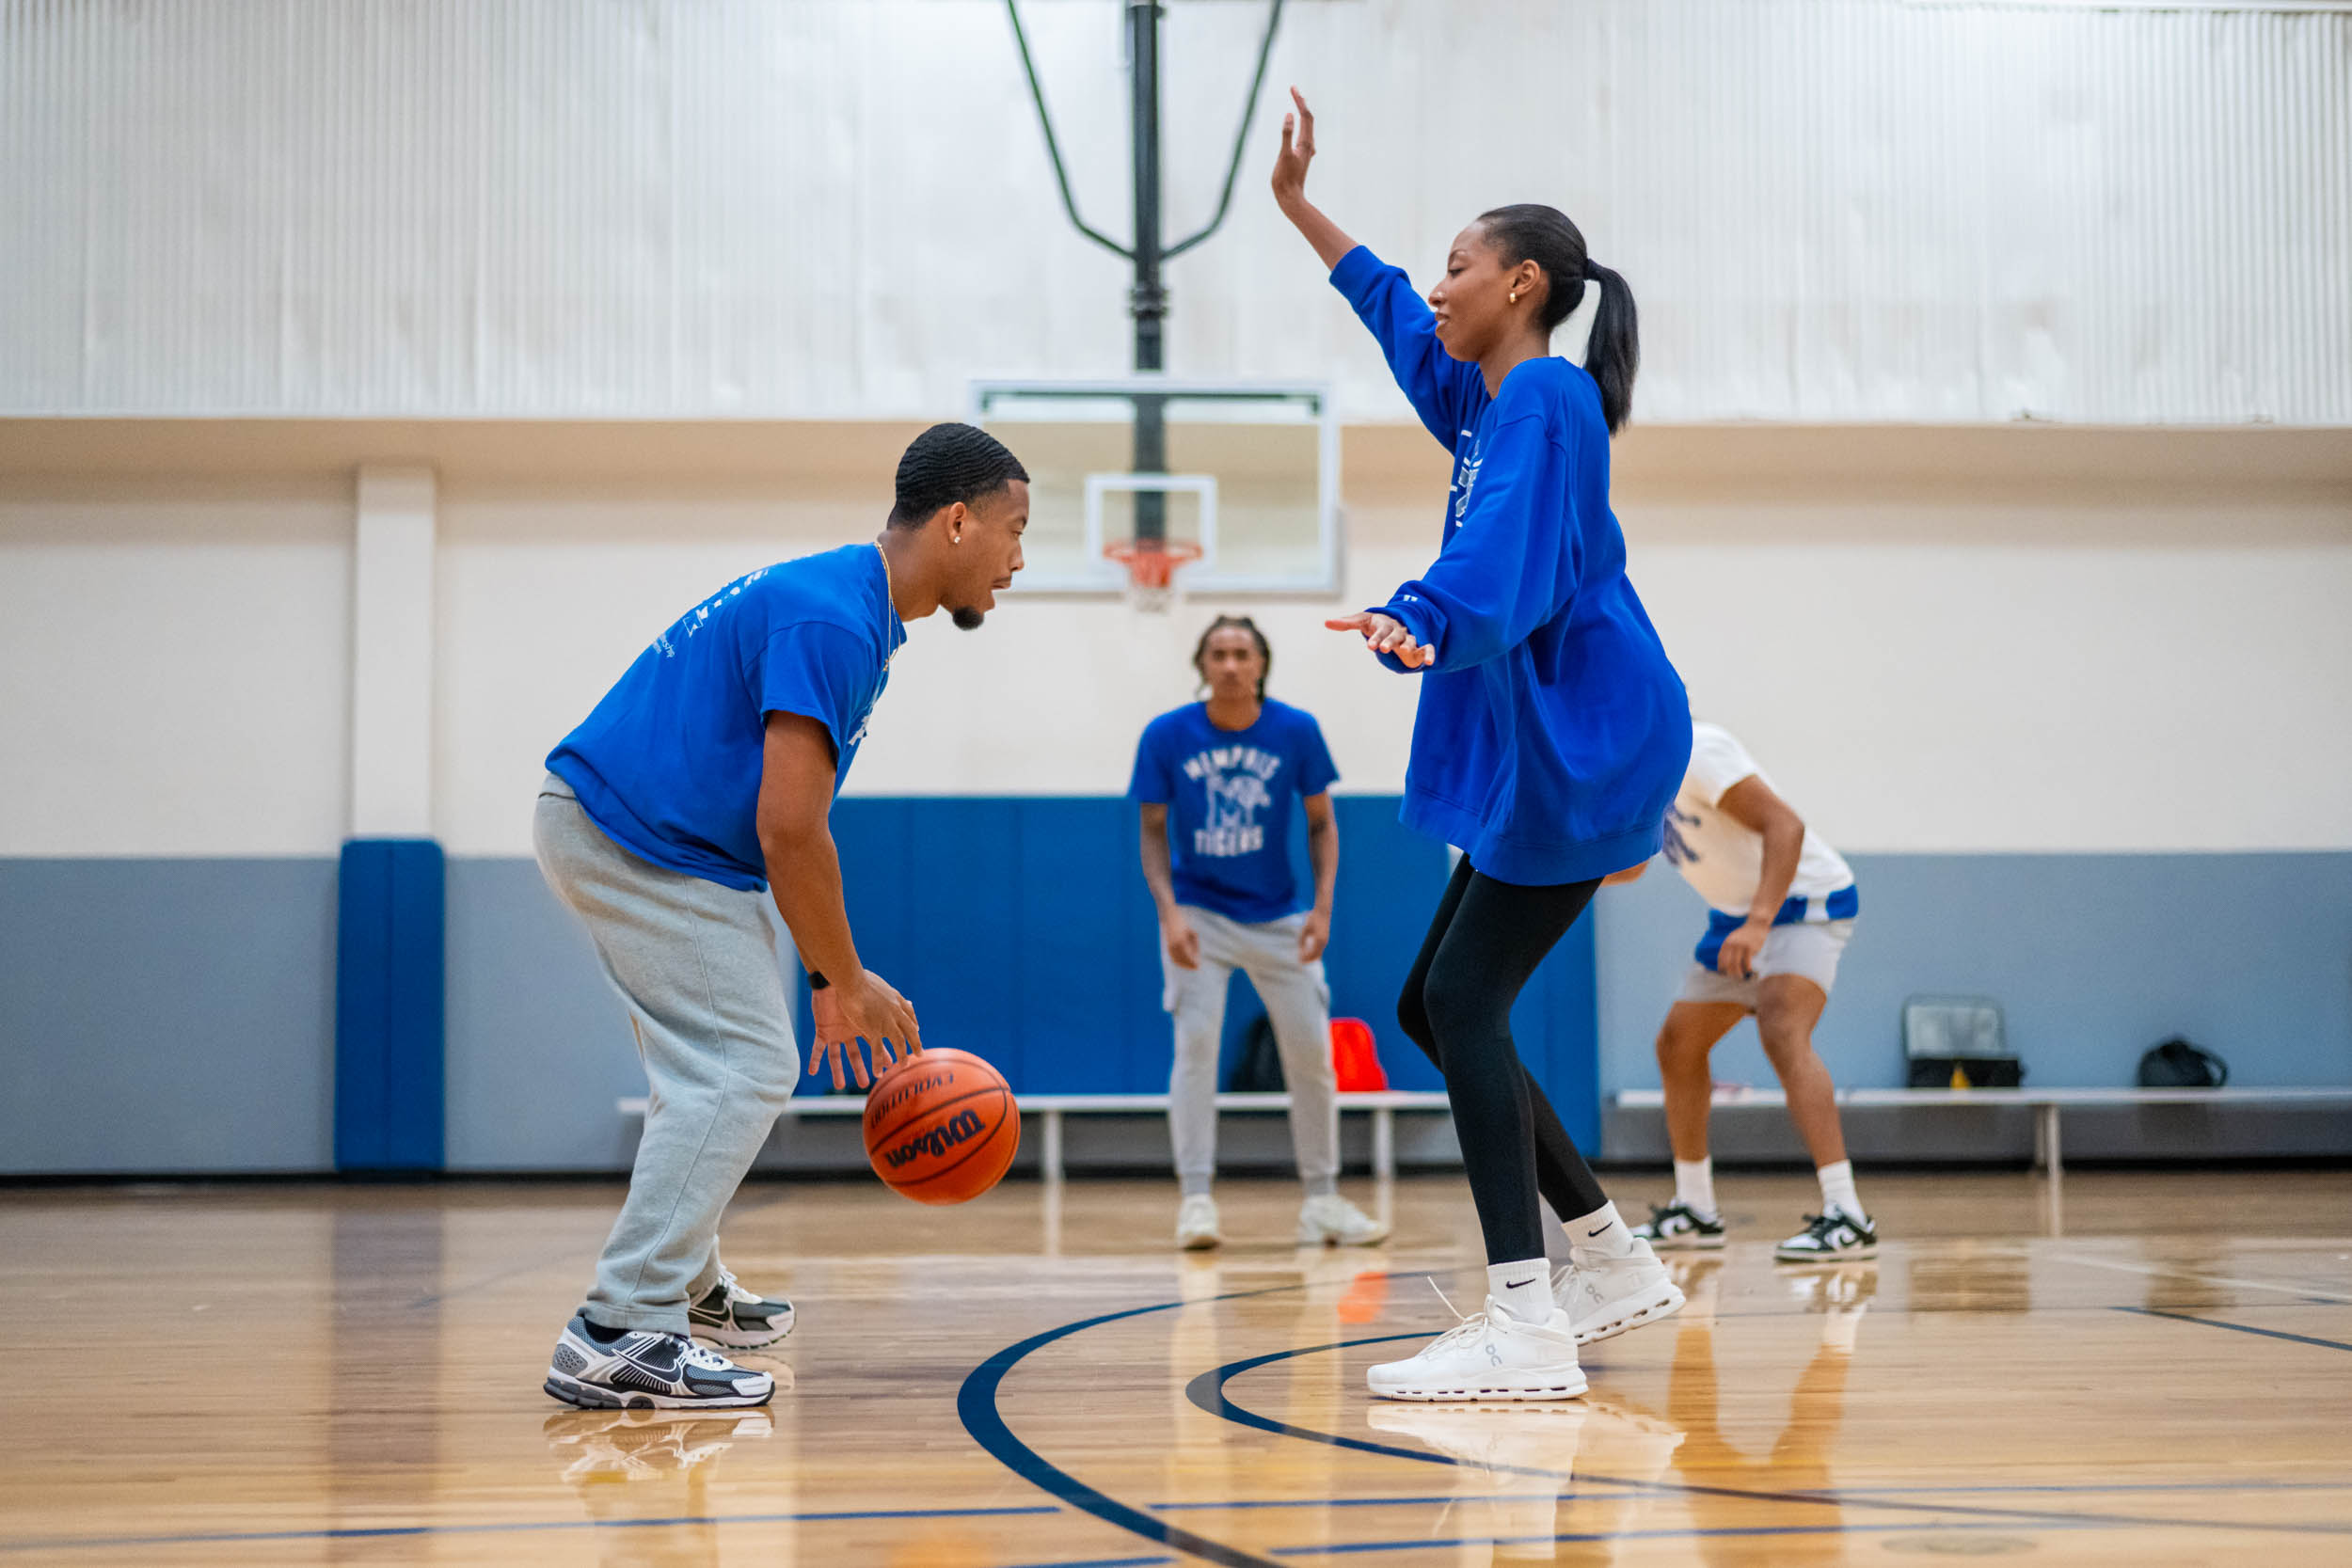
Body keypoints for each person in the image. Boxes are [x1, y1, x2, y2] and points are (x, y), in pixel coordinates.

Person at [1272, 88, 1692, 1402]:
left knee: (1460, 1000)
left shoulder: (1549, 401)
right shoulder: (1486, 399)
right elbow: (1396, 310)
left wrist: (1419, 612)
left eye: (1460, 263)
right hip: (1548, 742)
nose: (1438, 284)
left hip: (1590, 734)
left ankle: (1527, 1317)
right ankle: (1609, 1257)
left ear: (1523, 283)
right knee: (1432, 1002)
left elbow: (1500, 557)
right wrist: (1298, 209)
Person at [534, 422, 1029, 1408]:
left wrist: (820, 975)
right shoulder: (835, 620)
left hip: (642, 833)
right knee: (743, 1065)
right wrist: (848, 978)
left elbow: (786, 825)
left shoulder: (849, 602)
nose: (1019, 557)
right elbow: (790, 829)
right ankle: (623, 1324)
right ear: (959, 521)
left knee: (703, 1069)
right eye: (1016, 528)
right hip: (638, 834)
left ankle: (683, 1279)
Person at [1130, 615, 1389, 1251]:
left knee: (1312, 1056)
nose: (1229, 664)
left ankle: (1322, 1200)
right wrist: (1169, 912)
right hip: (1201, 915)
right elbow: (1153, 831)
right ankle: (1195, 1200)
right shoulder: (1167, 735)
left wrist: (1322, 909)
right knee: (1195, 1051)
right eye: (1217, 652)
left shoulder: (1295, 731)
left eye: (1241, 652)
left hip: (1279, 916)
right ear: (1202, 663)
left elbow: (1322, 825)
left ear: (1260, 664)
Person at [1609, 721, 1876, 1260]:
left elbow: (1787, 826)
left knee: (1782, 1031)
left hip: (1804, 903)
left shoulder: (1698, 749)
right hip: (1736, 918)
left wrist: (1759, 922)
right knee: (1678, 1045)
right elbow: (1633, 865)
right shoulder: (1630, 775)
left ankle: (1848, 1214)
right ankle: (1696, 1209)